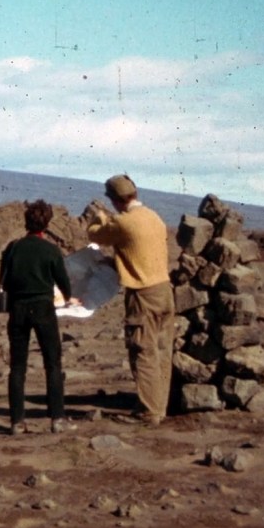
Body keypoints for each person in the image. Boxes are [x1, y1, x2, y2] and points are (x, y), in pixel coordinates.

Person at [87, 174, 174, 425]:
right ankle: (159, 405)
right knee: (160, 351)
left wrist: (100, 217)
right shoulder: (153, 217)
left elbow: (95, 235)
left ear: (115, 200)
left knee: (143, 351)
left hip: (143, 294)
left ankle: (149, 412)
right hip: (164, 290)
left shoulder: (123, 222)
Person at [0, 200, 78, 435]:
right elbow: (63, 280)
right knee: (52, 363)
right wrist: (69, 298)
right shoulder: (51, 250)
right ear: (47, 223)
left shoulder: (13, 248)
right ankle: (57, 419)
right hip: (43, 308)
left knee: (17, 366)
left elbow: (3, 280)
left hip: (18, 309)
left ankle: (17, 422)